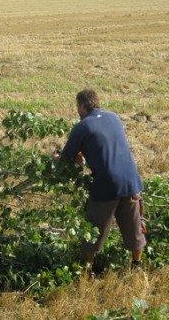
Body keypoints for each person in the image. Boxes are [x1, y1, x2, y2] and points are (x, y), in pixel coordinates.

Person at [52, 88, 146, 272]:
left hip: (107, 184)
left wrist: (56, 157)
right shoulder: (114, 117)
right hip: (132, 181)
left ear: (81, 105)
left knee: (93, 229)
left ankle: (91, 268)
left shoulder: (82, 126)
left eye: (77, 106)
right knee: (134, 229)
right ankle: (137, 266)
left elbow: (66, 158)